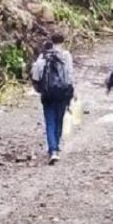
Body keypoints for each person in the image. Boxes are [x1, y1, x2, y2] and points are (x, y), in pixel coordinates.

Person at [31, 34, 74, 164]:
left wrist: (40, 90)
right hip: (62, 93)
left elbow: (36, 77)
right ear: (62, 41)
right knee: (59, 119)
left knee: (50, 121)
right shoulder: (66, 55)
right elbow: (70, 75)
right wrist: (72, 92)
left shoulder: (42, 58)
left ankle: (53, 150)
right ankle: (56, 145)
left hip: (48, 94)